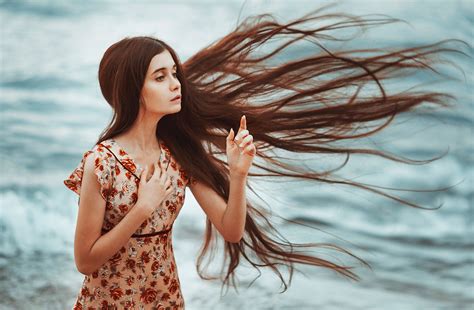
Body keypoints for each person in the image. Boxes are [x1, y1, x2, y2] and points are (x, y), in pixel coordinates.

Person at [63, 5, 466, 309]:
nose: (175, 84)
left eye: (174, 73)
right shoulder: (102, 162)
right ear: (133, 89)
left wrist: (238, 175)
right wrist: (141, 209)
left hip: (165, 297)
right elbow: (84, 261)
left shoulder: (177, 154)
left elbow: (231, 230)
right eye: (160, 76)